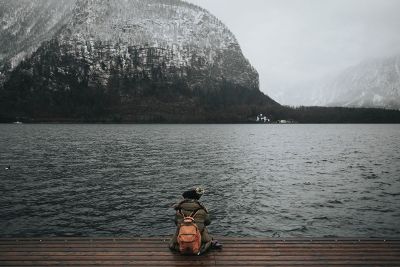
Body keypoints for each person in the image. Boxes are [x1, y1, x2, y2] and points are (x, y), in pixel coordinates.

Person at [169, 187, 213, 254]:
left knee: (177, 231)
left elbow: (176, 222)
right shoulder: (202, 210)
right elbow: (208, 222)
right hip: (197, 236)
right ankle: (200, 250)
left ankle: (180, 248)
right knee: (207, 238)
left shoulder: (179, 210)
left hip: (182, 236)